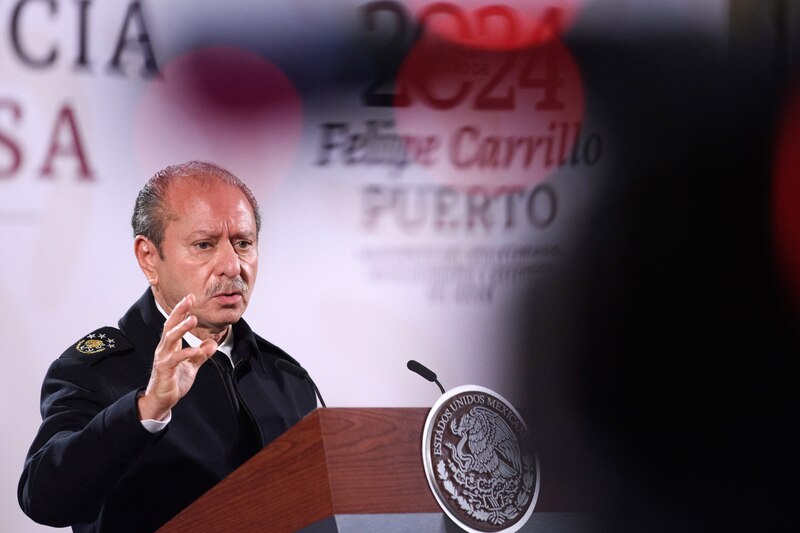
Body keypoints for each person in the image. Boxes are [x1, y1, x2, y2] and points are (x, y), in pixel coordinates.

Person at [18, 161, 317, 532]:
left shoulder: (286, 377)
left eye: (243, 243)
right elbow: (44, 499)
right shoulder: (95, 370)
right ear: (149, 257)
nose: (231, 266)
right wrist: (147, 409)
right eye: (204, 245)